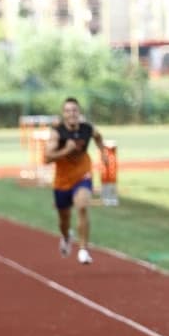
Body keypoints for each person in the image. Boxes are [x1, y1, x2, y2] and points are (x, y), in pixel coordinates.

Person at [43, 97, 107, 265]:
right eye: (68, 111)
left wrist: (103, 153)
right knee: (64, 220)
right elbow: (47, 158)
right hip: (62, 181)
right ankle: (66, 236)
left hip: (82, 175)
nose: (71, 114)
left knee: (83, 205)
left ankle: (84, 249)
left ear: (79, 113)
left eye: (74, 110)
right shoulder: (57, 132)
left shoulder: (87, 129)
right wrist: (66, 150)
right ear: (63, 114)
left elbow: (99, 137)